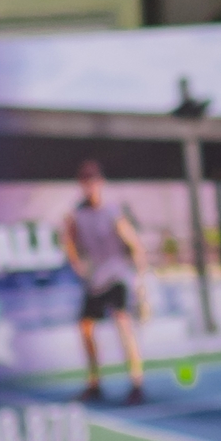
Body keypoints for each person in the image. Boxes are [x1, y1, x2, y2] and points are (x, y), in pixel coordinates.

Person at [61, 160, 147, 405]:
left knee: (123, 323)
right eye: (86, 182)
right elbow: (69, 242)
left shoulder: (113, 213)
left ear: (101, 183)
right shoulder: (76, 215)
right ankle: (94, 384)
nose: (90, 187)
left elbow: (135, 245)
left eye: (94, 182)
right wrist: (77, 264)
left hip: (117, 276)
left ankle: (136, 383)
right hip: (95, 280)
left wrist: (141, 281)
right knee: (86, 328)